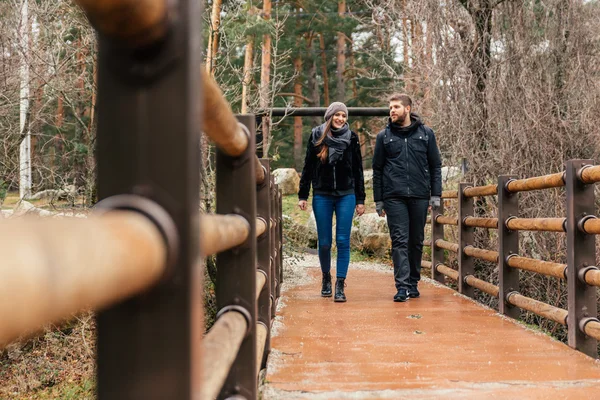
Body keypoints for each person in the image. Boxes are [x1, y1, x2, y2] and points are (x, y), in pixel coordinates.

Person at [372, 93, 442, 302]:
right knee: (400, 240)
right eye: (390, 107)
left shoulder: (426, 134)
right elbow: (377, 169)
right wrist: (379, 200)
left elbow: (435, 166)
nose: (391, 111)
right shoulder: (384, 136)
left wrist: (435, 195)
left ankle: (413, 283)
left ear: (408, 109)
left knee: (416, 241)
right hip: (394, 196)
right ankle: (401, 287)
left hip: (420, 195)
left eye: (395, 107)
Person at [298, 102, 366, 302]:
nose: (341, 119)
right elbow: (308, 166)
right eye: (337, 115)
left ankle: (340, 284)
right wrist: (303, 195)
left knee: (343, 241)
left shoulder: (352, 138)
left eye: (344, 116)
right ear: (329, 117)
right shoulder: (317, 136)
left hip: (347, 194)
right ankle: (326, 277)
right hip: (322, 195)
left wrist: (360, 199)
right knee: (325, 242)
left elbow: (358, 170)